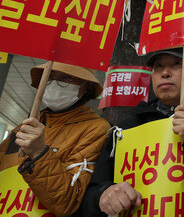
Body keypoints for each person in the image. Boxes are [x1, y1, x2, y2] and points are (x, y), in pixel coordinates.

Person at [82, 46, 184, 216]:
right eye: (158, 67)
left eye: (176, 64)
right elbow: (91, 194)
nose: (165, 73)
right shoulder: (125, 129)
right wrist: (103, 195)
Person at [0, 62, 110, 216]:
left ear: (86, 86)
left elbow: (68, 202)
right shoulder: (23, 127)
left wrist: (39, 153)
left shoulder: (96, 129)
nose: (53, 85)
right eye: (50, 76)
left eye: (66, 79)